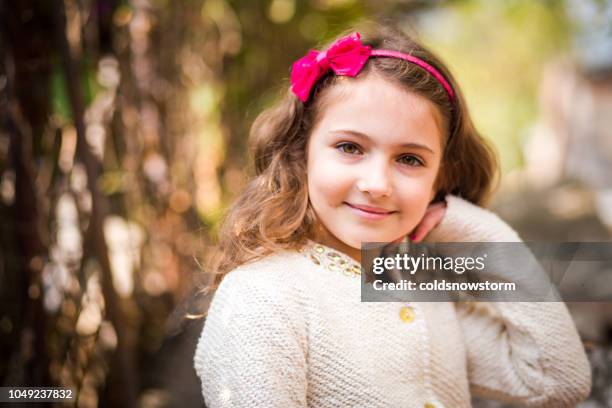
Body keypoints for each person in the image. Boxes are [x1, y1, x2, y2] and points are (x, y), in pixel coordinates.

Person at [193, 23, 592, 407]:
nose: (377, 183)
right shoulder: (263, 298)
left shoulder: (422, 289)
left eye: (409, 159)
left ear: (441, 177)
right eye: (350, 147)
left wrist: (478, 232)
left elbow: (556, 379)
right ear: (301, 152)